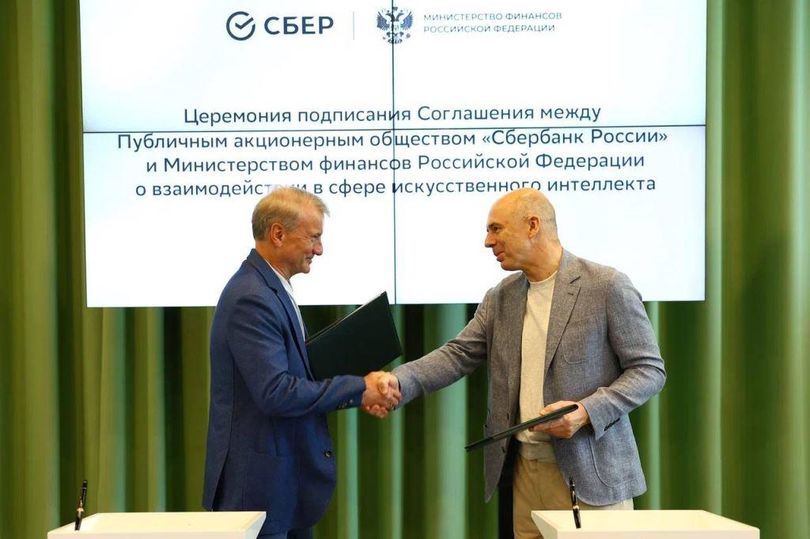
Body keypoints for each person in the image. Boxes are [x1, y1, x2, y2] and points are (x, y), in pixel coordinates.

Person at [378, 188, 665, 538]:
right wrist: (398, 381)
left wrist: (586, 412)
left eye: (496, 229)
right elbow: (458, 354)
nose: (487, 241)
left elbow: (649, 371)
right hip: (524, 474)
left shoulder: (606, 286)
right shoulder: (501, 297)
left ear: (532, 226)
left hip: (593, 476)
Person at [203, 187, 399, 539]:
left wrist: (358, 389)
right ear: (278, 234)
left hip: (283, 485)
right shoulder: (251, 297)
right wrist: (359, 389)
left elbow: (296, 371)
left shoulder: (269, 287)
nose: (319, 249)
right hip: (259, 493)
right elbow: (276, 392)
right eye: (313, 237)